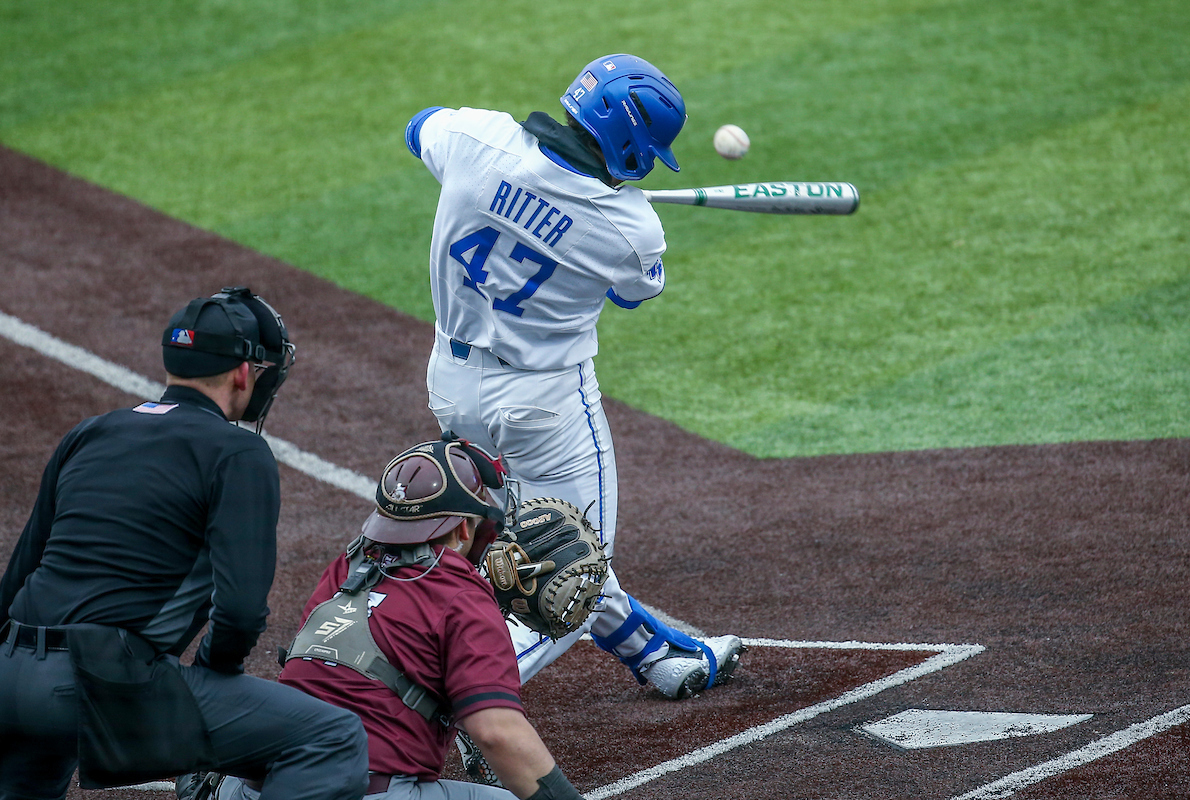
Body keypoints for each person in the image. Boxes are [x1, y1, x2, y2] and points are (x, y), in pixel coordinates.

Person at [404, 53, 745, 705]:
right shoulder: (631, 228)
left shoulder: (477, 139)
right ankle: (450, 705)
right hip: (544, 408)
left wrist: (512, 199)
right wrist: (585, 212)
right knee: (574, 572)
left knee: (547, 543)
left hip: (452, 387)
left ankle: (660, 658)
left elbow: (419, 127)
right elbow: (633, 294)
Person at [0, 288, 368, 800]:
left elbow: (18, 574)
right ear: (244, 373)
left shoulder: (90, 433)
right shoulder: (238, 452)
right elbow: (240, 611)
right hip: (101, 684)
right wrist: (215, 677)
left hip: (10, 671)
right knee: (332, 737)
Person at [189, 436, 588, 800]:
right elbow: (497, 733)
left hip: (262, 786)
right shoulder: (463, 597)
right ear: (465, 529)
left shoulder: (344, 568)